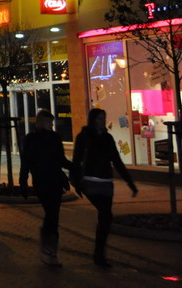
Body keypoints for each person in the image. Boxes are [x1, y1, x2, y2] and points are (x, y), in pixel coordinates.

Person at [72, 107, 138, 268]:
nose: (103, 121)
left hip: (106, 183)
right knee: (105, 215)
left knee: (106, 217)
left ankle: (99, 254)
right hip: (90, 181)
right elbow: (76, 160)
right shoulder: (84, 137)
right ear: (93, 120)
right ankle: (99, 254)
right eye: (100, 118)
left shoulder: (108, 138)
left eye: (104, 118)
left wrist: (129, 182)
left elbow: (116, 160)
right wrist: (75, 182)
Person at [20, 108, 74, 266]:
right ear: (42, 122)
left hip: (55, 181)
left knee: (54, 215)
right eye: (49, 122)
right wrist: (23, 182)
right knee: (51, 213)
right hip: (42, 181)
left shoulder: (54, 137)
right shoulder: (31, 139)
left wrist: (75, 168)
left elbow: (61, 160)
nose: (51, 125)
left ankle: (50, 250)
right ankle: (48, 247)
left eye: (51, 122)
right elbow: (26, 161)